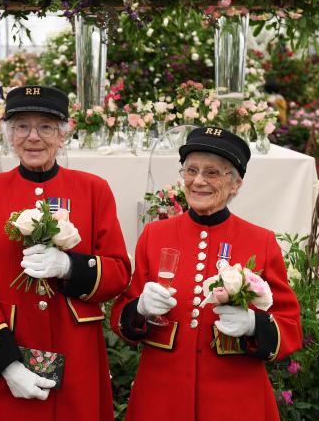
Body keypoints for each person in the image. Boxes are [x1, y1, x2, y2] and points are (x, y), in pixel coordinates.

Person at [0, 85, 131, 421]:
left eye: (45, 127)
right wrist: (5, 363)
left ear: (63, 135)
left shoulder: (94, 190)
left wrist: (69, 266)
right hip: (8, 346)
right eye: (22, 126)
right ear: (9, 134)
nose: (33, 137)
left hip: (75, 350)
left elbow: (119, 272)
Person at [110, 127, 302, 420]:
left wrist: (254, 323)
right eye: (191, 170)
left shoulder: (259, 241)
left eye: (212, 173)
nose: (198, 181)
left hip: (234, 399)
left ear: (236, 184)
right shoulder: (154, 234)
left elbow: (289, 325)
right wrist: (139, 308)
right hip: (162, 395)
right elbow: (122, 315)